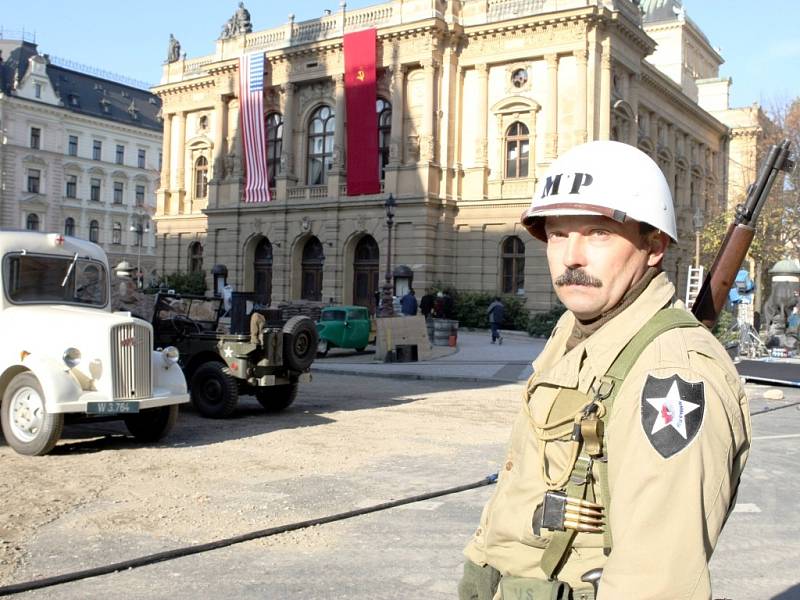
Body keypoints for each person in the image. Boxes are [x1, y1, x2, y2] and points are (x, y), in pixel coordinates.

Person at [458, 141, 751, 600]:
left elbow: (656, 581)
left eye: (597, 233)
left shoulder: (672, 374)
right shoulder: (576, 328)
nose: (570, 256)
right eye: (557, 233)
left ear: (653, 246)